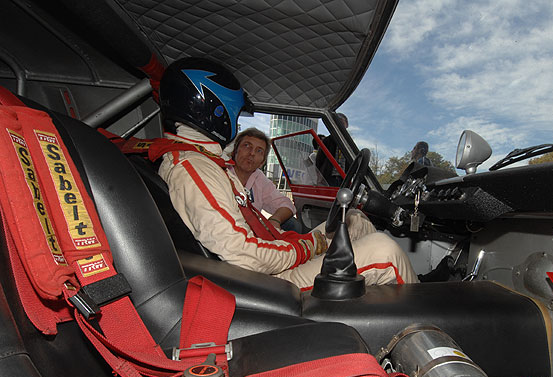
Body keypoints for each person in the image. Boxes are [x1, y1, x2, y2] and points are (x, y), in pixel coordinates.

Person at [156, 57, 418, 290]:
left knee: (355, 218)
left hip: (271, 257)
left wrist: (287, 237)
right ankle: (427, 324)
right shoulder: (194, 168)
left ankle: (373, 294)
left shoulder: (208, 162)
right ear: (214, 109)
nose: (235, 124)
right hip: (270, 283)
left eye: (258, 150)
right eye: (234, 116)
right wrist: (306, 247)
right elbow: (241, 251)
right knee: (386, 250)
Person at [229, 127, 303, 233]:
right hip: (226, 230)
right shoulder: (221, 172)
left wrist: (274, 220)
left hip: (251, 232)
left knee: (292, 224)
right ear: (235, 151)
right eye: (247, 145)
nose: (252, 153)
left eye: (259, 151)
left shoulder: (259, 178)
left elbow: (287, 204)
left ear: (262, 162)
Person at [313, 113, 350, 186]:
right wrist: (322, 175)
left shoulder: (347, 143)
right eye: (339, 123)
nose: (341, 127)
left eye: (343, 125)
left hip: (343, 178)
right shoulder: (328, 141)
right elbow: (319, 160)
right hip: (329, 177)